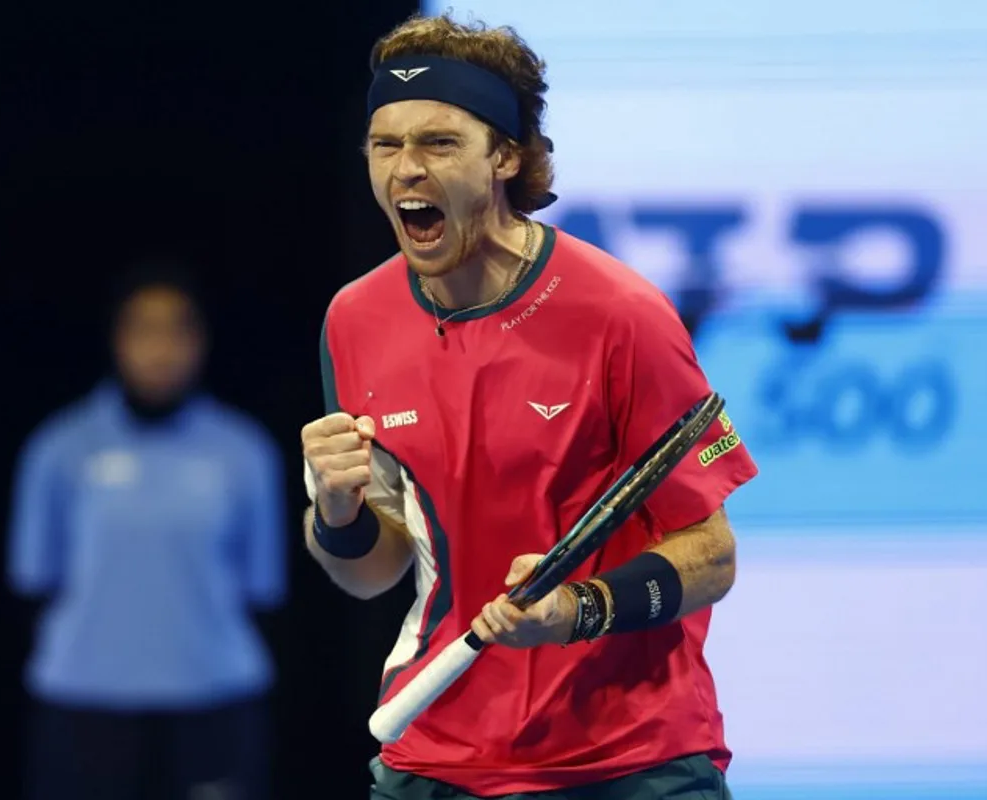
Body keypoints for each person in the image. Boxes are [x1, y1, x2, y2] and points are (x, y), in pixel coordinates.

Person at [299, 12, 760, 800]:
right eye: (386, 145)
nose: (406, 169)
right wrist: (335, 514)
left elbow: (712, 554)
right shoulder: (354, 319)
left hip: (631, 763)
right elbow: (377, 571)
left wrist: (579, 610)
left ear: (506, 157)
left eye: (439, 143)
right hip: (437, 757)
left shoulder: (622, 313)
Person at [7, 262, 287, 800]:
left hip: (214, 703)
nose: (161, 348)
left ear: (201, 342)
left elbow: (263, 591)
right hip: (85, 707)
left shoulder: (244, 451)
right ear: (118, 339)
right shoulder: (59, 448)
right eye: (144, 329)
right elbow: (34, 581)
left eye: (178, 329)